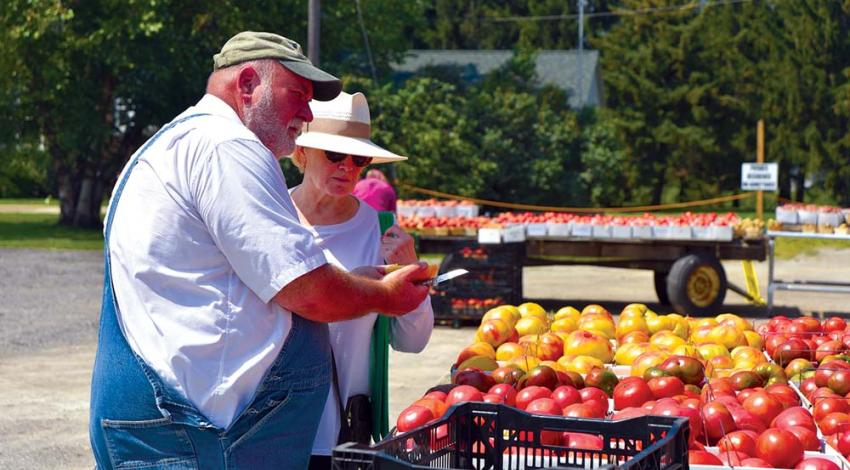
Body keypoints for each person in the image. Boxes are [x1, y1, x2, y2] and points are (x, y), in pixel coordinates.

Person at [89, 31, 430, 470]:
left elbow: (240, 283)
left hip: (181, 430)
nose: (306, 113)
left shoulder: (173, 143)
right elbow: (307, 291)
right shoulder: (227, 147)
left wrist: (363, 280)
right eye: (298, 95)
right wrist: (385, 295)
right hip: (199, 438)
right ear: (248, 84)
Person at [286, 91, 434, 468]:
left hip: (344, 437)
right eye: (334, 154)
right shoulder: (271, 219)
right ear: (301, 153)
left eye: (359, 158)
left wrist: (411, 272)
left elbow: (412, 341)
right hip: (268, 429)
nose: (348, 167)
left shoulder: (382, 232)